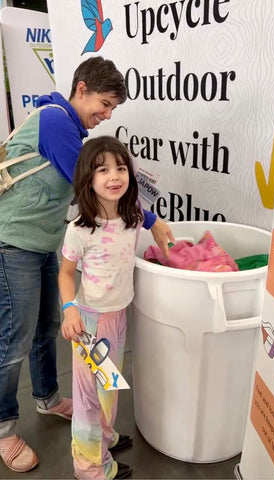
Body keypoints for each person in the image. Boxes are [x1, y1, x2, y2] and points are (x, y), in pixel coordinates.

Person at [0, 56, 175, 473]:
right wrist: (151, 218)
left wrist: (146, 222)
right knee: (16, 338)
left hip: (48, 247)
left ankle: (48, 401)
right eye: (104, 103)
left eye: (113, 108)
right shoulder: (58, 122)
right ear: (81, 88)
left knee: (48, 333)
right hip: (14, 243)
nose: (107, 114)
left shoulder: (75, 133)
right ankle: (6, 429)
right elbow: (88, 179)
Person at [59, 135, 143, 480]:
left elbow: (145, 218)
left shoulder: (133, 217)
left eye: (120, 168)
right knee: (88, 400)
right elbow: (65, 273)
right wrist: (69, 309)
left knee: (108, 389)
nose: (114, 176)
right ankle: (90, 467)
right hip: (89, 324)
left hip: (118, 316)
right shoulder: (80, 230)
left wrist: (159, 224)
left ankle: (104, 441)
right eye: (103, 169)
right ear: (88, 180)